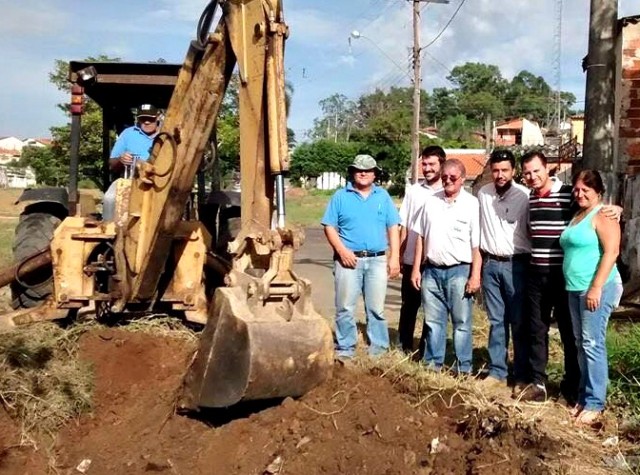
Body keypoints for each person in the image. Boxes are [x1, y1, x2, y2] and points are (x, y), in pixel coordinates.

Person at [519, 151, 620, 403]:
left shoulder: (568, 193)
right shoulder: (530, 197)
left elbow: (599, 212)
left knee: (573, 335)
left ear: (547, 169)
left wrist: (618, 207)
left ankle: (573, 387)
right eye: (527, 173)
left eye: (536, 171)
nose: (532, 177)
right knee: (537, 330)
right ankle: (538, 383)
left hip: (564, 278)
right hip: (538, 273)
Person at [321, 154, 401, 359]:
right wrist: (342, 251)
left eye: (368, 170)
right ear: (353, 172)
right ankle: (346, 348)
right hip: (349, 260)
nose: (363, 173)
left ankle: (379, 349)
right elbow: (329, 226)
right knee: (345, 307)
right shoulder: (340, 196)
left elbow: (393, 226)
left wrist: (394, 257)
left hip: (377, 259)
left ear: (375, 174)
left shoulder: (383, 196)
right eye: (359, 170)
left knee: (376, 308)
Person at [559, 170, 623, 425]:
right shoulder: (577, 215)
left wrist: (596, 287)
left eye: (586, 189)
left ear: (598, 192)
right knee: (581, 343)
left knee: (592, 343)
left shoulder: (603, 215)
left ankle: (595, 402)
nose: (580, 193)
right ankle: (585, 397)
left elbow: (612, 252)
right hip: (575, 288)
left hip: (597, 288)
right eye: (577, 189)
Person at [410, 159, 481, 375]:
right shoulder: (431, 202)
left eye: (452, 178)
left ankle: (463, 368)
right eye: (444, 178)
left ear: (462, 178)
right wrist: (416, 269)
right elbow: (420, 237)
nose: (448, 181)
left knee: (461, 323)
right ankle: (433, 365)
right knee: (433, 322)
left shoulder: (471, 204)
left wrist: (475, 275)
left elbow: (476, 245)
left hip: (459, 270)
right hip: (431, 270)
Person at [477, 149, 530, 389]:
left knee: (518, 321)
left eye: (504, 170)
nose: (499, 175)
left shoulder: (525, 196)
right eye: (496, 170)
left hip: (516, 265)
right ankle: (497, 370)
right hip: (490, 265)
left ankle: (520, 373)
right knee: (496, 321)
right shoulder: (483, 193)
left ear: (513, 171)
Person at [397, 145, 445, 354]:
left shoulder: (449, 190)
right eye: (424, 164)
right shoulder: (414, 191)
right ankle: (405, 346)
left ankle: (427, 351)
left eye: (432, 164)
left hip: (435, 261)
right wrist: (400, 254)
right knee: (409, 306)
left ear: (442, 164)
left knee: (432, 310)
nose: (427, 168)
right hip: (411, 260)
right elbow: (404, 226)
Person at [102, 104, 161, 221]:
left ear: (158, 118)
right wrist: (120, 159)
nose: (147, 122)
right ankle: (109, 230)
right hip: (130, 180)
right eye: (143, 119)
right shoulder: (128, 134)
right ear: (138, 119)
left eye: (151, 119)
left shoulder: (166, 135)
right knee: (110, 198)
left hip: (159, 183)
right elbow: (112, 163)